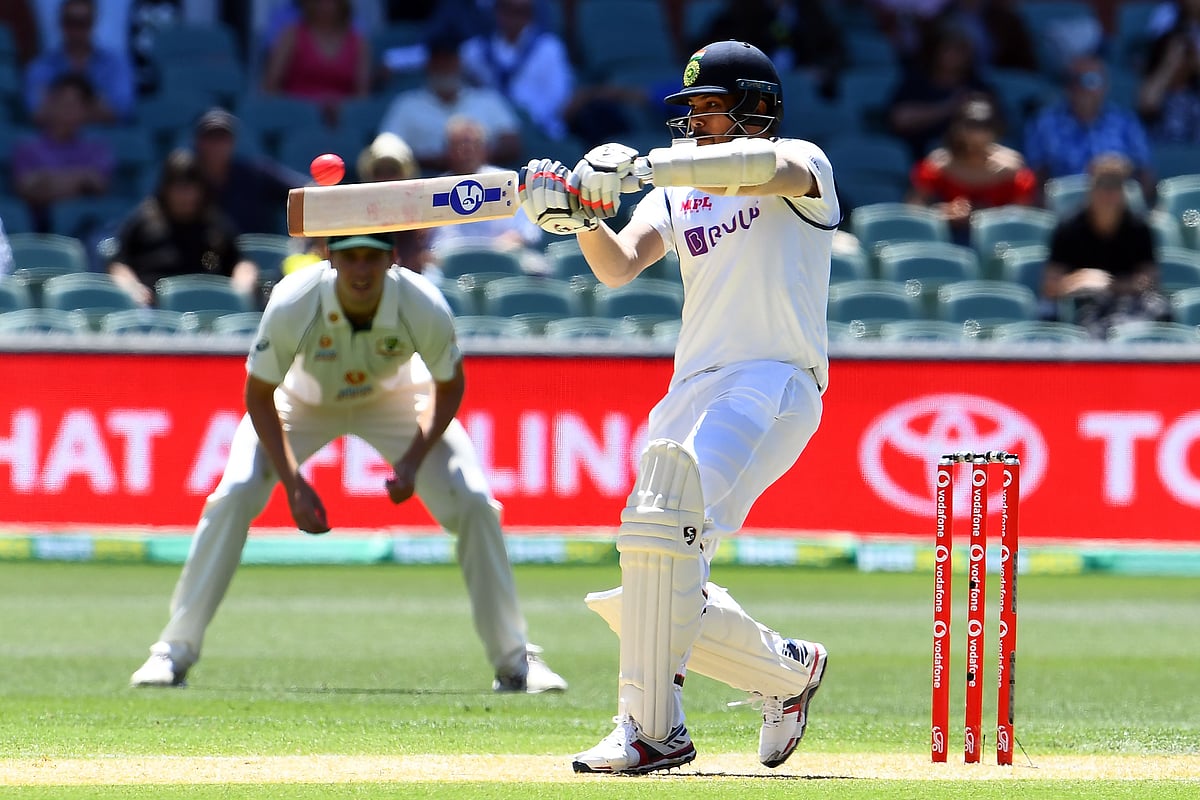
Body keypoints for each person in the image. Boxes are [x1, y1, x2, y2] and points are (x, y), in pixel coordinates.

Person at [518, 40, 831, 774]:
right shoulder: (674, 191)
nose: (696, 124)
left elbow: (756, 169)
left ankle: (652, 729)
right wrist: (578, 216)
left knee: (665, 528)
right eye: (688, 111)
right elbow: (621, 267)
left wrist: (639, 166)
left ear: (756, 107)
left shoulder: (803, 164)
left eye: (710, 109)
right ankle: (788, 674)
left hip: (775, 378)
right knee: (650, 570)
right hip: (693, 386)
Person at [128, 229, 568, 694]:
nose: (361, 270)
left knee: (476, 501)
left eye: (372, 258)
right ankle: (172, 652)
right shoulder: (294, 298)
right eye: (350, 257)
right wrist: (293, 482)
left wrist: (414, 460)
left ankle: (516, 663)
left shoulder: (422, 300)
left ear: (392, 259)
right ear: (328, 257)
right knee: (235, 492)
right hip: (302, 401)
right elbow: (259, 392)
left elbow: (449, 385)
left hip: (397, 399)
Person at [1041, 154, 1169, 339]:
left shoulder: (1138, 227)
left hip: (1129, 302)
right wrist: (1083, 279)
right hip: (1083, 303)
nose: (1108, 192)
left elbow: (1149, 281)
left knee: (1160, 310)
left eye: (1115, 185)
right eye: (1102, 184)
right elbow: (1050, 286)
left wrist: (1110, 284)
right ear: (1091, 188)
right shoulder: (1069, 227)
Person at [107, 148, 258, 306]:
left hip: (209, 309)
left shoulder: (215, 224)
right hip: (154, 311)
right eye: (179, 188)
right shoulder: (144, 221)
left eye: (191, 188)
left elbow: (242, 264)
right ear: (166, 189)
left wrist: (240, 290)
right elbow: (118, 264)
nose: (185, 195)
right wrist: (133, 289)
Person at [378, 34, 521, 173]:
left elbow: (512, 144)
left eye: (449, 60)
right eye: (438, 61)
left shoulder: (487, 99)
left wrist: (472, 157)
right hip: (423, 185)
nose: (444, 66)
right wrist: (438, 160)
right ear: (429, 64)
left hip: (484, 181)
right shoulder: (406, 105)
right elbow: (386, 151)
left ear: (459, 62)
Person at [908, 94, 1036, 245]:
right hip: (947, 238)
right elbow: (914, 210)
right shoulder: (937, 165)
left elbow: (1022, 218)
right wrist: (944, 212)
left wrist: (986, 216)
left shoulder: (1012, 169)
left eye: (984, 126)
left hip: (999, 243)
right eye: (971, 125)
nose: (976, 134)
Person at [1024, 56, 1154, 200]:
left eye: (1090, 80)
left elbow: (1145, 174)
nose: (1081, 87)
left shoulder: (1126, 122)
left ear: (1105, 86)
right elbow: (1035, 178)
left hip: (1117, 207)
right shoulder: (1043, 123)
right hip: (1065, 209)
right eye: (1073, 80)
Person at [429, 116, 543, 263]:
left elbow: (527, 231)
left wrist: (489, 254)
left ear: (485, 149)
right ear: (447, 150)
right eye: (459, 144)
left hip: (502, 262)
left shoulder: (508, 182)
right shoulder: (433, 189)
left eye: (473, 144)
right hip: (446, 267)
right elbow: (426, 244)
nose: (467, 151)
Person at [12, 73, 114, 233]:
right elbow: (26, 189)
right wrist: (80, 181)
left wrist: (47, 182)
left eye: (75, 105)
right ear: (51, 103)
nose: (67, 110)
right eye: (62, 102)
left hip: (86, 229)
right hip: (37, 232)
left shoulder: (96, 149)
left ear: (85, 111)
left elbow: (99, 186)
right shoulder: (27, 148)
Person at [458, 0, 574, 140]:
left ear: (530, 16)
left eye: (521, 12)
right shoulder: (474, 51)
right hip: (494, 132)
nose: (513, 17)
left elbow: (558, 98)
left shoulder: (549, 48)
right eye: (507, 9)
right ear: (496, 12)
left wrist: (524, 121)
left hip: (540, 131)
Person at [887, 22, 996, 160]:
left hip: (967, 162)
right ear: (936, 51)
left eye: (961, 50)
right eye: (949, 49)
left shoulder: (977, 87)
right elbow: (899, 119)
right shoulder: (917, 82)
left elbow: (995, 126)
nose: (956, 56)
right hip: (917, 158)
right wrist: (949, 107)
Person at [191, 107, 308, 236]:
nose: (216, 145)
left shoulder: (255, 174)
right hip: (207, 254)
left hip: (259, 253)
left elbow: (301, 192)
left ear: (232, 143)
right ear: (198, 142)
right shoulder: (186, 180)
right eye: (210, 138)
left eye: (222, 138)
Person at [261, 0, 371, 126]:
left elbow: (363, 94)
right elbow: (270, 86)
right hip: (296, 119)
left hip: (342, 121)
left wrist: (340, 108)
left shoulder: (359, 41)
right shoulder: (291, 35)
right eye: (320, 2)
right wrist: (305, 110)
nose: (326, 6)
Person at [24, 0, 136, 124]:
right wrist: (96, 106)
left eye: (82, 22)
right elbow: (35, 111)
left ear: (92, 23)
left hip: (104, 138)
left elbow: (122, 109)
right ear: (61, 23)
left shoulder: (115, 65)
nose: (76, 29)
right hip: (57, 140)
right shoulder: (41, 66)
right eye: (70, 22)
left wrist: (60, 108)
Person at [1137, 16, 1200, 144]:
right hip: (1163, 158)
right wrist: (1169, 64)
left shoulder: (1195, 91)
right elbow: (1147, 104)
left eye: (1185, 54)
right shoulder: (1156, 89)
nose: (1181, 60)